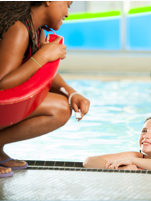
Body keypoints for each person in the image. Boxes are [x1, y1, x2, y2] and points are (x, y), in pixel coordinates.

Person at [0, 2, 90, 177]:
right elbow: (2, 82)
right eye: (67, 5)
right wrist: (43, 55)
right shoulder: (18, 28)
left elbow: (38, 72)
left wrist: (72, 92)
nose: (67, 13)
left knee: (61, 109)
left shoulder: (35, 30)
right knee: (59, 109)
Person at [83, 116, 151, 171]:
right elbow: (89, 162)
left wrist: (133, 161)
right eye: (144, 131)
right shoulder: (136, 156)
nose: (146, 136)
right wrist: (121, 168)